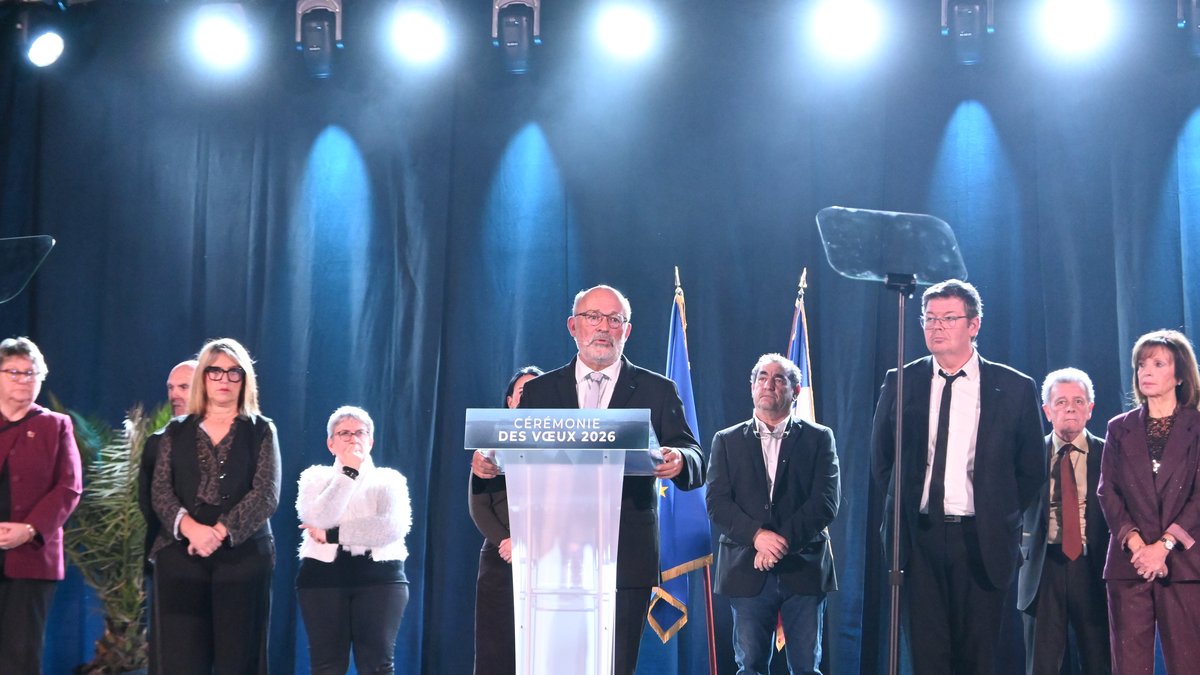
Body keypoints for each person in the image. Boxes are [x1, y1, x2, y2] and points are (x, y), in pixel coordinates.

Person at [476, 284, 704, 675]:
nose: (603, 327)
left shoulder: (657, 390)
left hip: (624, 556)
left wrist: (680, 459)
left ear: (626, 331)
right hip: (552, 558)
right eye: (593, 317)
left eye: (614, 320)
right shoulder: (540, 391)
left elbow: (694, 453)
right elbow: (513, 455)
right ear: (573, 326)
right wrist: (488, 462)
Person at [871, 279, 1045, 674]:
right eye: (929, 318)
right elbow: (882, 461)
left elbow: (1031, 469)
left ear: (974, 324)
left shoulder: (1014, 387)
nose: (936, 326)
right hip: (918, 539)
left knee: (978, 658)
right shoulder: (901, 381)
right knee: (927, 658)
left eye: (948, 318)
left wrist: (998, 509)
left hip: (981, 541)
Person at [149, 338, 280, 674]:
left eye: (234, 372)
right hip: (181, 552)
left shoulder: (261, 430)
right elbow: (161, 490)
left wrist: (219, 532)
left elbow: (266, 494)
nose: (225, 379)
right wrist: (192, 530)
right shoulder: (175, 431)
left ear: (245, 379)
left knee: (238, 660)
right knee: (182, 660)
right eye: (216, 371)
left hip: (243, 555)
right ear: (203, 377)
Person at [706, 354, 840, 675]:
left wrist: (779, 543)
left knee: (806, 667)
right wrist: (757, 537)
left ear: (795, 391)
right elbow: (717, 502)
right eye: (762, 378)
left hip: (804, 568)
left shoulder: (819, 437)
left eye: (779, 378)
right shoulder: (726, 440)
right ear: (752, 387)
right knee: (750, 665)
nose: (769, 384)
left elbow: (825, 501)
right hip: (746, 568)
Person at [1097, 329, 1200, 673]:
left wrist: (1165, 545)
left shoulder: (1197, 427)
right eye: (1142, 365)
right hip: (1130, 563)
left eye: (1158, 364)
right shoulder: (1118, 428)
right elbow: (1108, 491)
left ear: (1180, 375)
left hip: (1185, 565)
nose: (1146, 372)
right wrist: (1138, 545)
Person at [296, 406, 412, 675]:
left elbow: (390, 528)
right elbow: (319, 517)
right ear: (331, 443)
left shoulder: (390, 479)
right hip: (322, 579)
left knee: (377, 666)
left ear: (371, 441)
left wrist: (331, 535)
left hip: (381, 579)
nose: (353, 439)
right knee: (326, 667)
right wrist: (348, 472)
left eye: (360, 432)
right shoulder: (315, 477)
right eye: (344, 433)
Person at [1018, 368, 1110, 675]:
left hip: (1094, 567)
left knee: (1100, 663)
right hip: (1043, 569)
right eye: (1061, 402)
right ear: (1047, 411)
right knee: (1041, 666)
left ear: (1090, 409)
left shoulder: (1110, 454)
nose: (1070, 408)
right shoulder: (1029, 454)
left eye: (1078, 401)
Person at [0, 336, 83, 674]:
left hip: (30, 557)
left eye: (31, 372)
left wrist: (31, 529)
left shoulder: (56, 425)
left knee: (20, 657)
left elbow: (69, 487)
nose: (23, 379)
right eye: (14, 371)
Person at [469, 366, 543, 675]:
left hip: (549, 556)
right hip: (503, 557)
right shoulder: (490, 444)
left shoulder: (568, 447)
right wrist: (507, 541)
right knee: (496, 648)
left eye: (538, 393)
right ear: (510, 401)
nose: (530, 399)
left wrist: (534, 542)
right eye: (524, 393)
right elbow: (478, 505)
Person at [140, 359, 198, 568]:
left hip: (221, 552)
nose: (174, 395)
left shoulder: (230, 440)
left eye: (183, 387)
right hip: (171, 554)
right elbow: (148, 503)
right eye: (170, 388)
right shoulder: (157, 442)